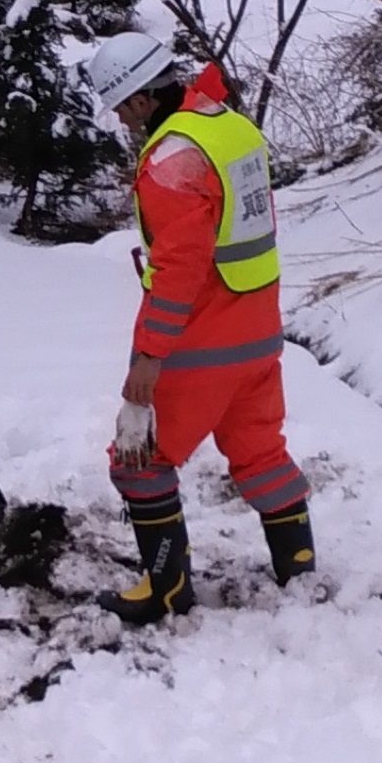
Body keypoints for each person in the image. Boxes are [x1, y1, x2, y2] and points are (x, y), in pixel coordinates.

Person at [84, 32, 315, 624]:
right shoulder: (230, 125)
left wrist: (148, 356)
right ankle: (300, 571)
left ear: (139, 99)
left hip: (202, 341)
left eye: (118, 107)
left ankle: (165, 591)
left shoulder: (170, 160)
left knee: (139, 460)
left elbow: (179, 269)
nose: (120, 120)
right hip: (259, 331)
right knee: (261, 452)